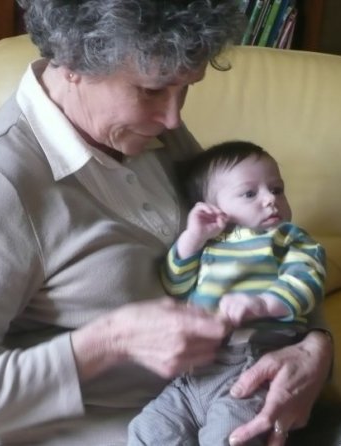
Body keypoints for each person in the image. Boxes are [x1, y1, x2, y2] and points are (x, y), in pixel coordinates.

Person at [0, 1, 341, 445]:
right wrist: (104, 343)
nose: (173, 119)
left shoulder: (152, 135)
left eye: (185, 88)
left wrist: (314, 349)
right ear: (74, 62)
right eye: (151, 90)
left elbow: (264, 246)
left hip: (228, 393)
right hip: (116, 430)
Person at [127, 141, 327, 445]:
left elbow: (306, 281)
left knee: (229, 436)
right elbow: (175, 284)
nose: (270, 200)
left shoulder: (288, 238)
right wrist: (192, 238)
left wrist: (263, 304)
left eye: (277, 189)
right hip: (193, 375)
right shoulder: (209, 245)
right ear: (214, 207)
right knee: (148, 429)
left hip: (253, 363)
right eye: (249, 194)